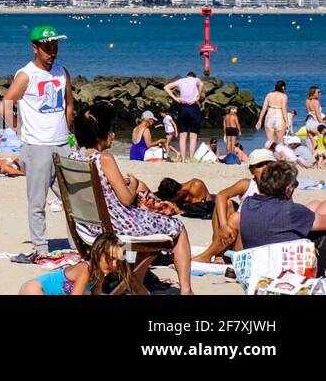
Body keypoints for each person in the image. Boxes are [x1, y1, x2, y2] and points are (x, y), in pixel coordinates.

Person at [72, 103, 193, 294]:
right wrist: (134, 184)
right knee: (177, 227)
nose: (113, 134)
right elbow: (127, 199)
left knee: (152, 226)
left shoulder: (74, 158)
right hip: (114, 227)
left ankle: (135, 281)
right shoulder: (104, 159)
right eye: (110, 130)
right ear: (98, 136)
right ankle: (185, 291)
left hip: (87, 227)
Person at [2, 24, 75, 264]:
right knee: (37, 201)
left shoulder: (62, 73)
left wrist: (67, 130)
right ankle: (41, 248)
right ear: (35, 48)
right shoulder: (26, 75)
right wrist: (18, 130)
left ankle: (77, 244)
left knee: (72, 200)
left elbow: (69, 104)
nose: (52, 52)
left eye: (54, 47)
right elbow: (7, 103)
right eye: (47, 48)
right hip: (37, 146)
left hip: (62, 144)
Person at [194, 149, 276, 261]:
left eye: (269, 164)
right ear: (252, 170)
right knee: (226, 204)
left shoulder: (280, 188)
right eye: (260, 165)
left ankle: (208, 255)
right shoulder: (248, 184)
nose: (266, 168)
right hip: (235, 233)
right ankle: (219, 252)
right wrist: (223, 225)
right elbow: (221, 196)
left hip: (255, 237)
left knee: (237, 217)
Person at [238, 160, 326, 255]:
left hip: (257, 260)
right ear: (288, 190)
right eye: (295, 184)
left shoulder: (248, 203)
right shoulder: (290, 211)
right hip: (288, 263)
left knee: (315, 205)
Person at [20, 234, 124, 295]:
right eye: (111, 259)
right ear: (97, 253)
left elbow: (96, 293)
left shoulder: (100, 273)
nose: (114, 264)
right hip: (35, 289)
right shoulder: (85, 269)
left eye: (118, 261)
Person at [164, 71, 205, 164]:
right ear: (194, 76)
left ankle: (182, 159)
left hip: (183, 107)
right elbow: (202, 84)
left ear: (187, 76)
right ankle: (191, 159)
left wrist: (175, 98)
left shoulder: (181, 81)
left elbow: (166, 87)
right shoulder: (196, 80)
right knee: (193, 136)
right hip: (193, 107)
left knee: (182, 136)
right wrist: (198, 95)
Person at [256, 80, 290, 148]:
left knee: (270, 142)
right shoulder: (284, 96)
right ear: (283, 87)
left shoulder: (269, 95)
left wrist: (259, 120)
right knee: (280, 142)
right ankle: (280, 157)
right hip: (279, 117)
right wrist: (287, 122)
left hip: (269, 117)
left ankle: (270, 156)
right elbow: (284, 109)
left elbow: (264, 108)